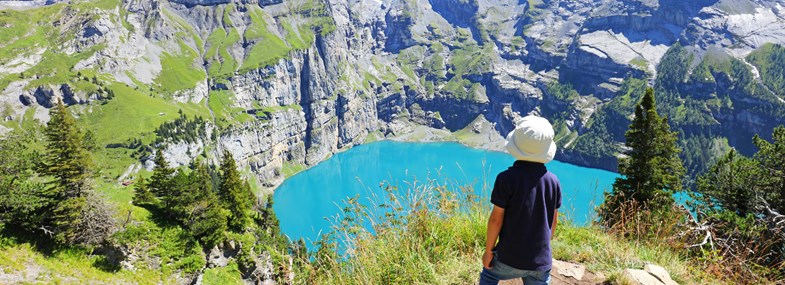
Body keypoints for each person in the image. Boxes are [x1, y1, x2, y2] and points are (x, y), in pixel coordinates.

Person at [479, 115, 562, 285]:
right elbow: (553, 221)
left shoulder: (506, 179)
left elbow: (496, 219)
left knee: (489, 275)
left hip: (508, 258)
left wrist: (488, 251)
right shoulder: (553, 181)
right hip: (540, 260)